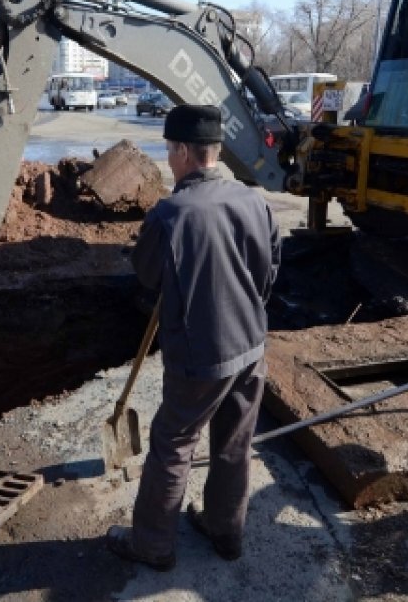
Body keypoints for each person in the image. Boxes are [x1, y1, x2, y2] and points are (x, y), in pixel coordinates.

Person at [105, 104, 281, 571]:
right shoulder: (254, 201)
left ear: (184, 151)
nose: (168, 159)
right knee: (235, 441)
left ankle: (153, 546)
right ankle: (226, 532)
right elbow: (269, 272)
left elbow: (147, 275)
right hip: (251, 345)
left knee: (173, 442)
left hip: (201, 356)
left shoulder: (171, 213)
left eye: (169, 150)